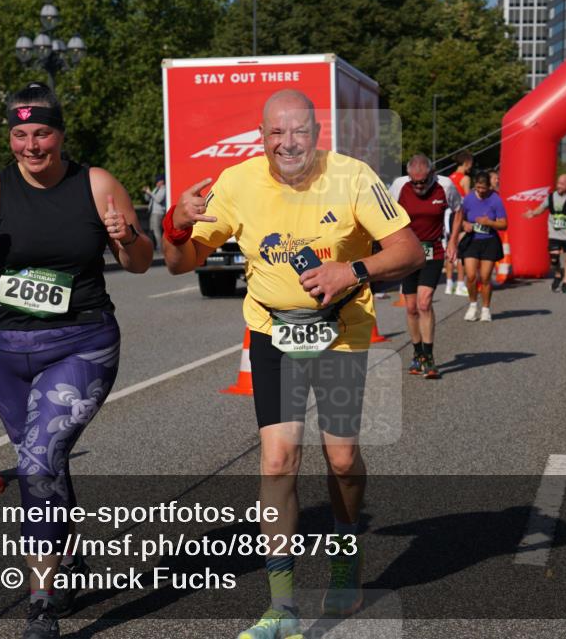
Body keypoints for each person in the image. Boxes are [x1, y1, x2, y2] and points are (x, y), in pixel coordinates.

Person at [163, 89, 423, 638]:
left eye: (299, 131)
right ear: (262, 137)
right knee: (278, 461)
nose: (288, 143)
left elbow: (409, 250)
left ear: (316, 134)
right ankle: (281, 607)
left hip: (341, 332)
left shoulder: (351, 176)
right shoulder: (236, 183)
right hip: (273, 332)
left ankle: (345, 562)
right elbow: (180, 263)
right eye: (276, 133)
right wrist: (176, 225)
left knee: (343, 460)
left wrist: (350, 272)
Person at [0, 83, 154, 639]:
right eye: (20, 134)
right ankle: (64, 554)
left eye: (42, 133)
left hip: (80, 342)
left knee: (37, 460)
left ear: (60, 134)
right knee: (45, 459)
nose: (32, 145)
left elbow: (138, 262)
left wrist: (126, 234)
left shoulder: (96, 182)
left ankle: (42, 601)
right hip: (0, 348)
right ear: (10, 138)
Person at [393, 154, 461, 378]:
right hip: (407, 252)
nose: (419, 186)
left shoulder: (446, 186)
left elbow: (458, 210)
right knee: (411, 307)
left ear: (432, 174)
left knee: (424, 303)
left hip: (434, 250)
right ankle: (417, 353)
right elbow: (387, 215)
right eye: (415, 182)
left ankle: (430, 358)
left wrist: (452, 241)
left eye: (423, 181)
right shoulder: (399, 186)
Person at [448, 171, 507, 323]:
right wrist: (464, 224)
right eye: (478, 187)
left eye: (483, 188)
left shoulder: (496, 200)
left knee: (485, 277)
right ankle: (473, 305)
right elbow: (459, 218)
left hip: (489, 241)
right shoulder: (468, 199)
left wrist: (490, 223)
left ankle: (486, 309)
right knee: (471, 275)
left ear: (489, 186)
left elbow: (504, 224)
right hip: (472, 240)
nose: (480, 191)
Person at [523, 172, 566, 293]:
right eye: (558, 183)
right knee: (554, 258)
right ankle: (558, 274)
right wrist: (533, 213)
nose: (559, 186)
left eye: (562, 184)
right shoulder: (551, 197)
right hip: (554, 233)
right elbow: (541, 208)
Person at [445, 151, 472, 296]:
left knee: (450, 248)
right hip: (459, 215)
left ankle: (449, 284)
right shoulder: (465, 178)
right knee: (460, 249)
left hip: (447, 215)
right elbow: (467, 201)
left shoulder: (449, 178)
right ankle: (461, 283)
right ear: (467, 162)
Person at [143, 174, 167, 252]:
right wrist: (146, 193)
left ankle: (160, 246)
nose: (156, 183)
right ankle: (154, 246)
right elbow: (147, 199)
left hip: (159, 213)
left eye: (157, 181)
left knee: (157, 230)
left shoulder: (164, 189)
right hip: (152, 212)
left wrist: (150, 192)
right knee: (152, 229)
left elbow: (158, 199)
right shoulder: (156, 189)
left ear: (162, 181)